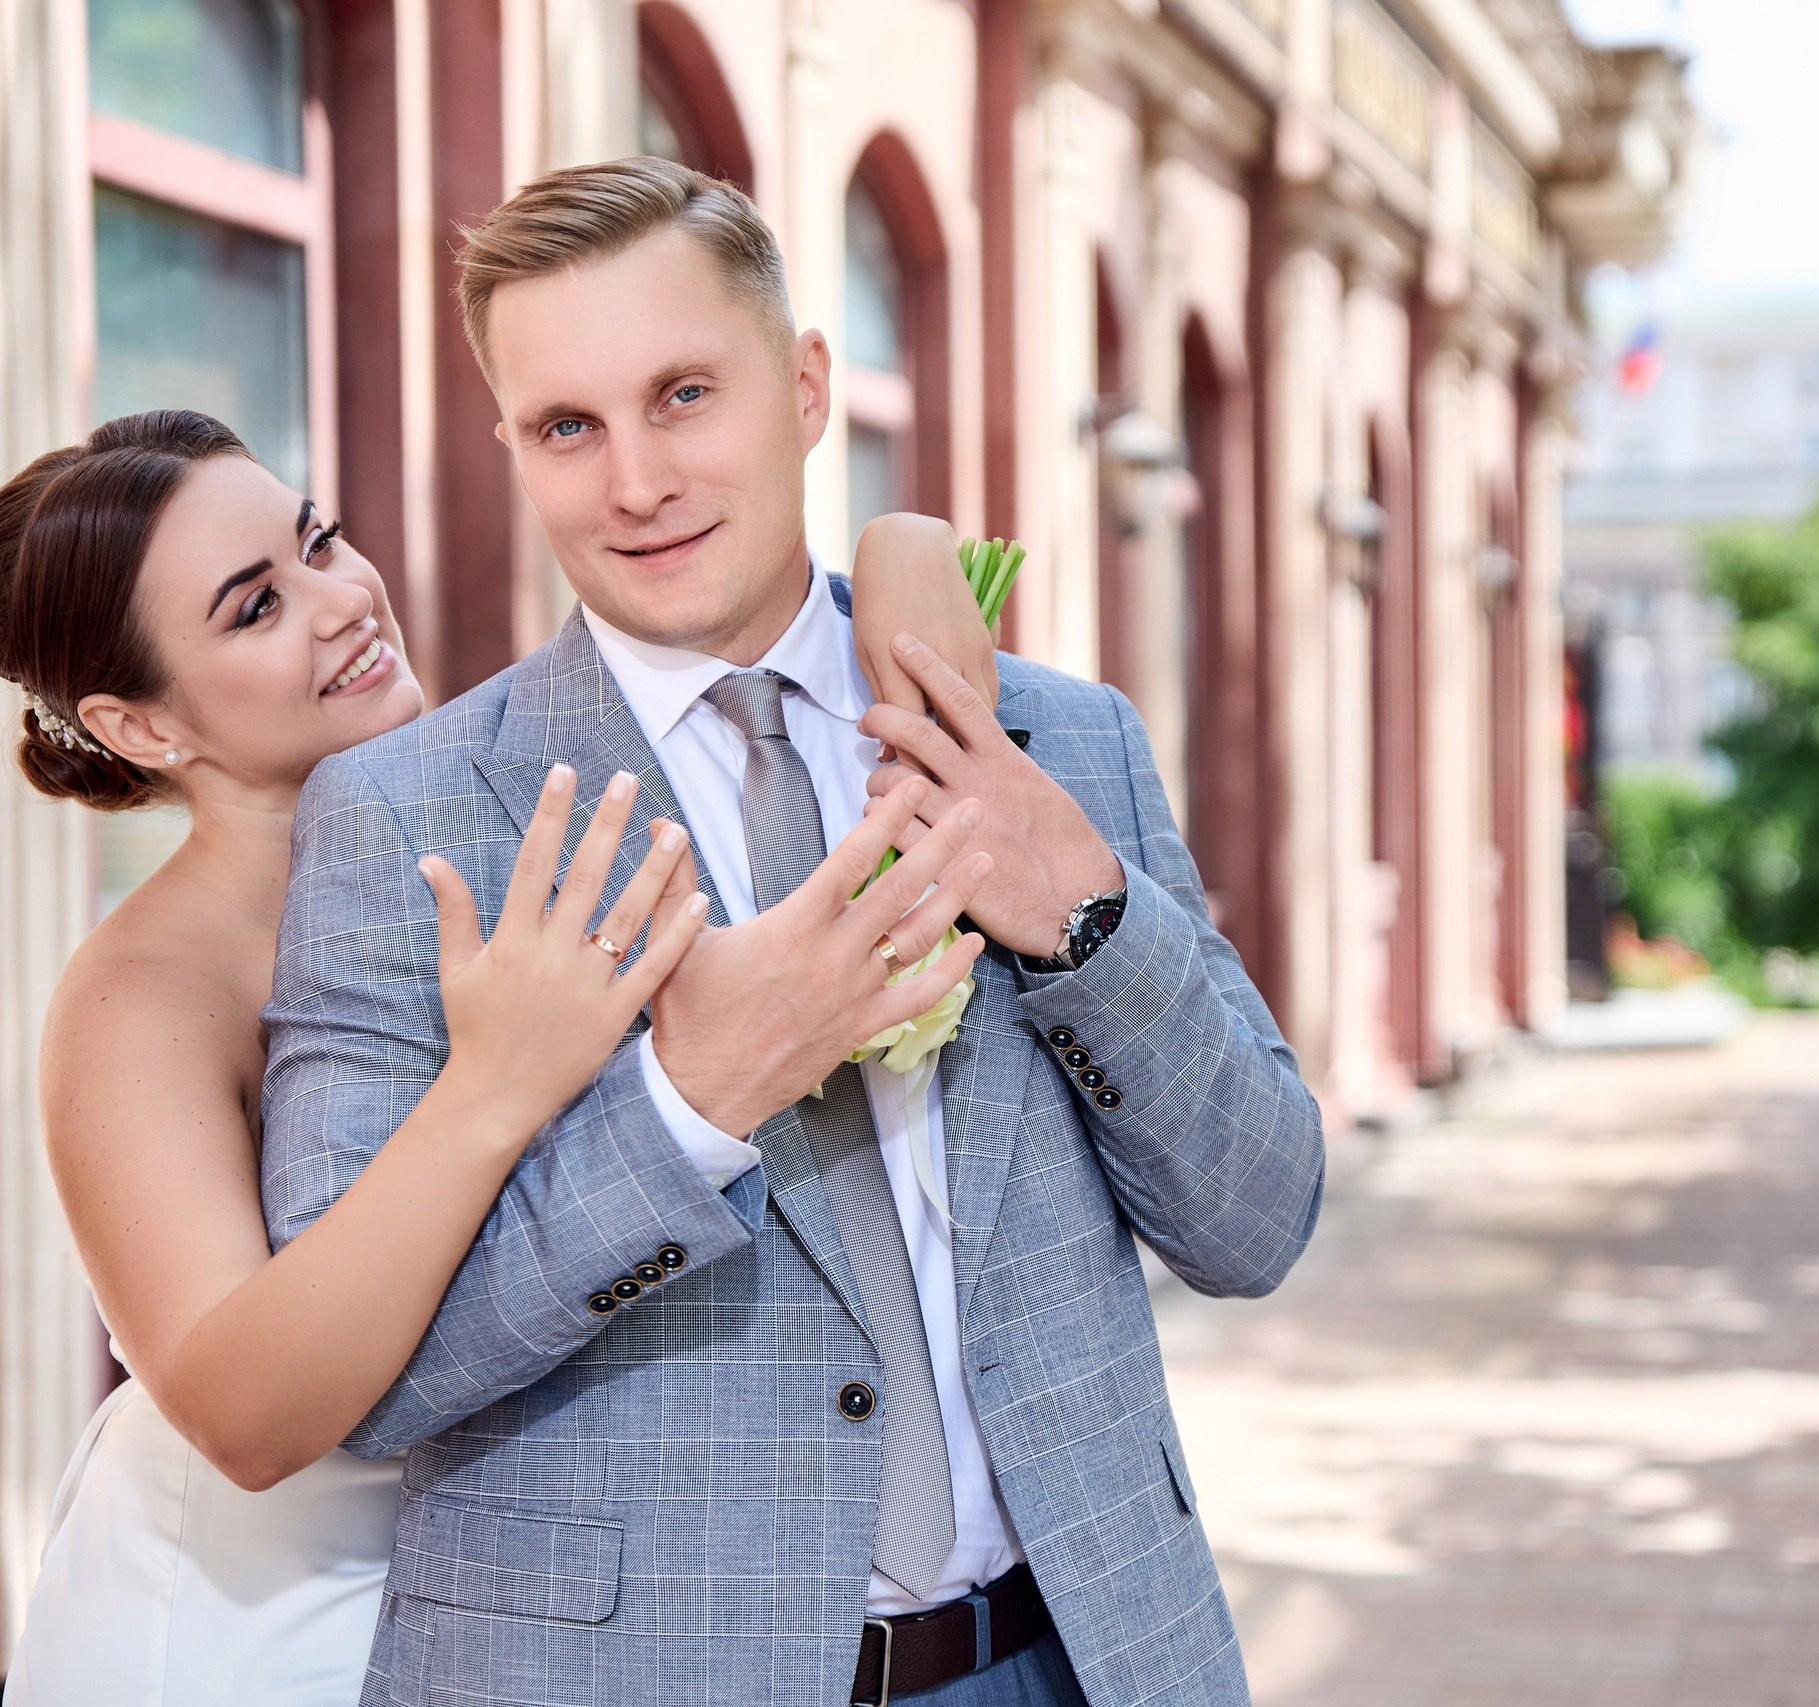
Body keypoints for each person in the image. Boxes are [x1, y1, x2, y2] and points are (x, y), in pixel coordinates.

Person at [260, 157, 1324, 1707]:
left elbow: (1260, 1221)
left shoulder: (1056, 740)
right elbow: (361, 1383)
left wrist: (1080, 921)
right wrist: (684, 1106)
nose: (634, 481)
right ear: (512, 445)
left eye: (685, 393)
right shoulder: (406, 816)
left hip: (1076, 1658)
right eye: (569, 426)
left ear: (808, 383)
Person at [0, 406, 1001, 1706]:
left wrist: (904, 552)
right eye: (254, 609)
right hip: (282, 1635)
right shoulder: (141, 997)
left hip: (577, 1605)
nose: (342, 599)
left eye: (319, 541)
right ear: (142, 729)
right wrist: (497, 1085)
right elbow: (242, 1415)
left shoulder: (515, 802)